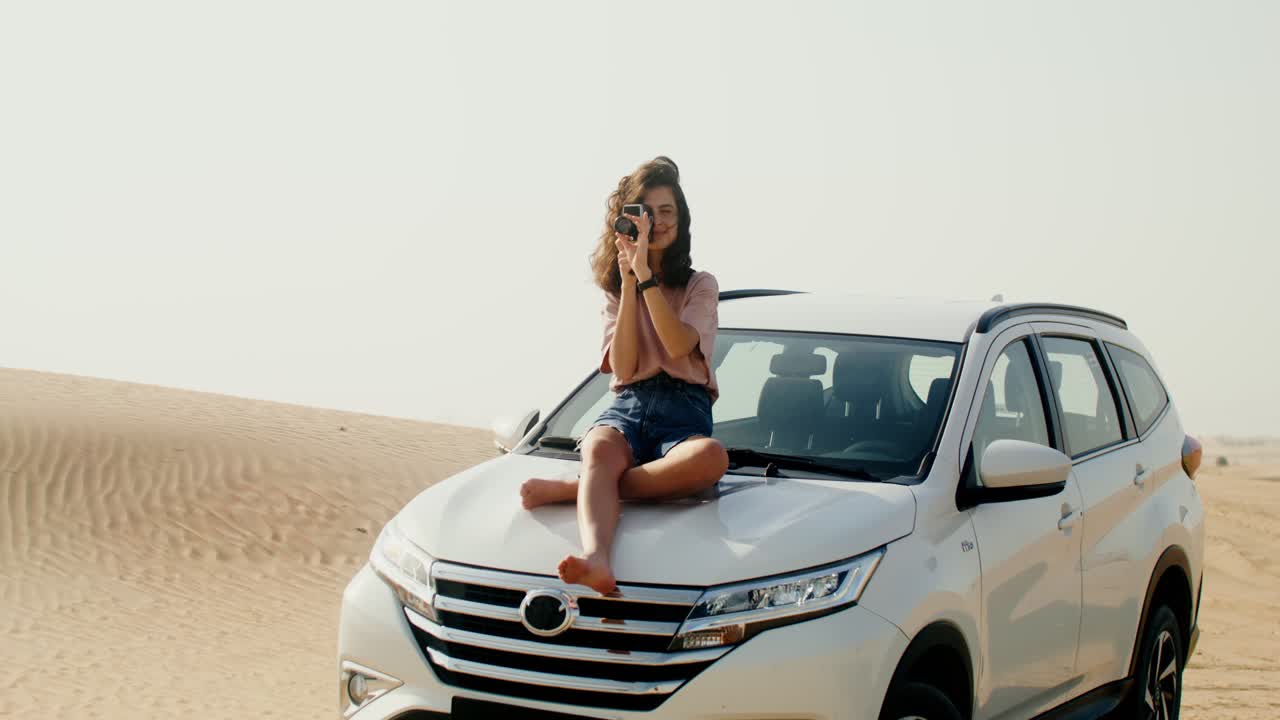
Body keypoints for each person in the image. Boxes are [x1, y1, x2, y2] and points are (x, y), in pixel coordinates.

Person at [519, 157, 729, 595]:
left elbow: (676, 346)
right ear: (632, 223)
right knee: (598, 445)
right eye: (647, 213)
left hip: (682, 410)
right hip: (629, 402)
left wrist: (648, 277)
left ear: (682, 217)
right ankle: (596, 555)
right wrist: (630, 281)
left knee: (711, 459)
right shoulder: (617, 291)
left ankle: (578, 489)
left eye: (667, 211)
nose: (658, 222)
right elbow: (627, 367)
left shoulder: (700, 285)